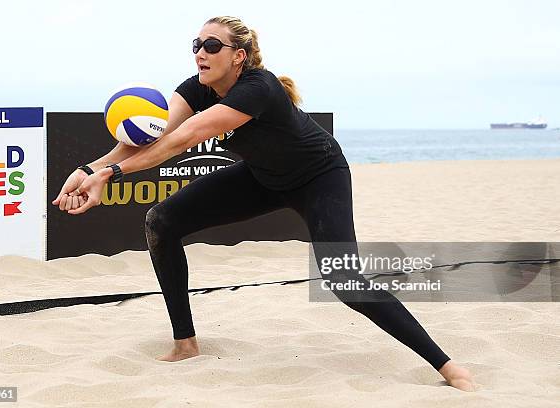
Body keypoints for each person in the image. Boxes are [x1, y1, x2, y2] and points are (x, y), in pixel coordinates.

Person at [52, 16, 475, 391]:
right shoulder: (194, 89)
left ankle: (448, 365)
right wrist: (91, 168)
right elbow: (155, 134)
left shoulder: (258, 87)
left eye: (211, 45)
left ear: (239, 55)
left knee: (344, 281)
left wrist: (111, 175)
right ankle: (186, 344)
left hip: (319, 177)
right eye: (196, 45)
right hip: (263, 176)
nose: (200, 52)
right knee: (161, 221)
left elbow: (181, 142)